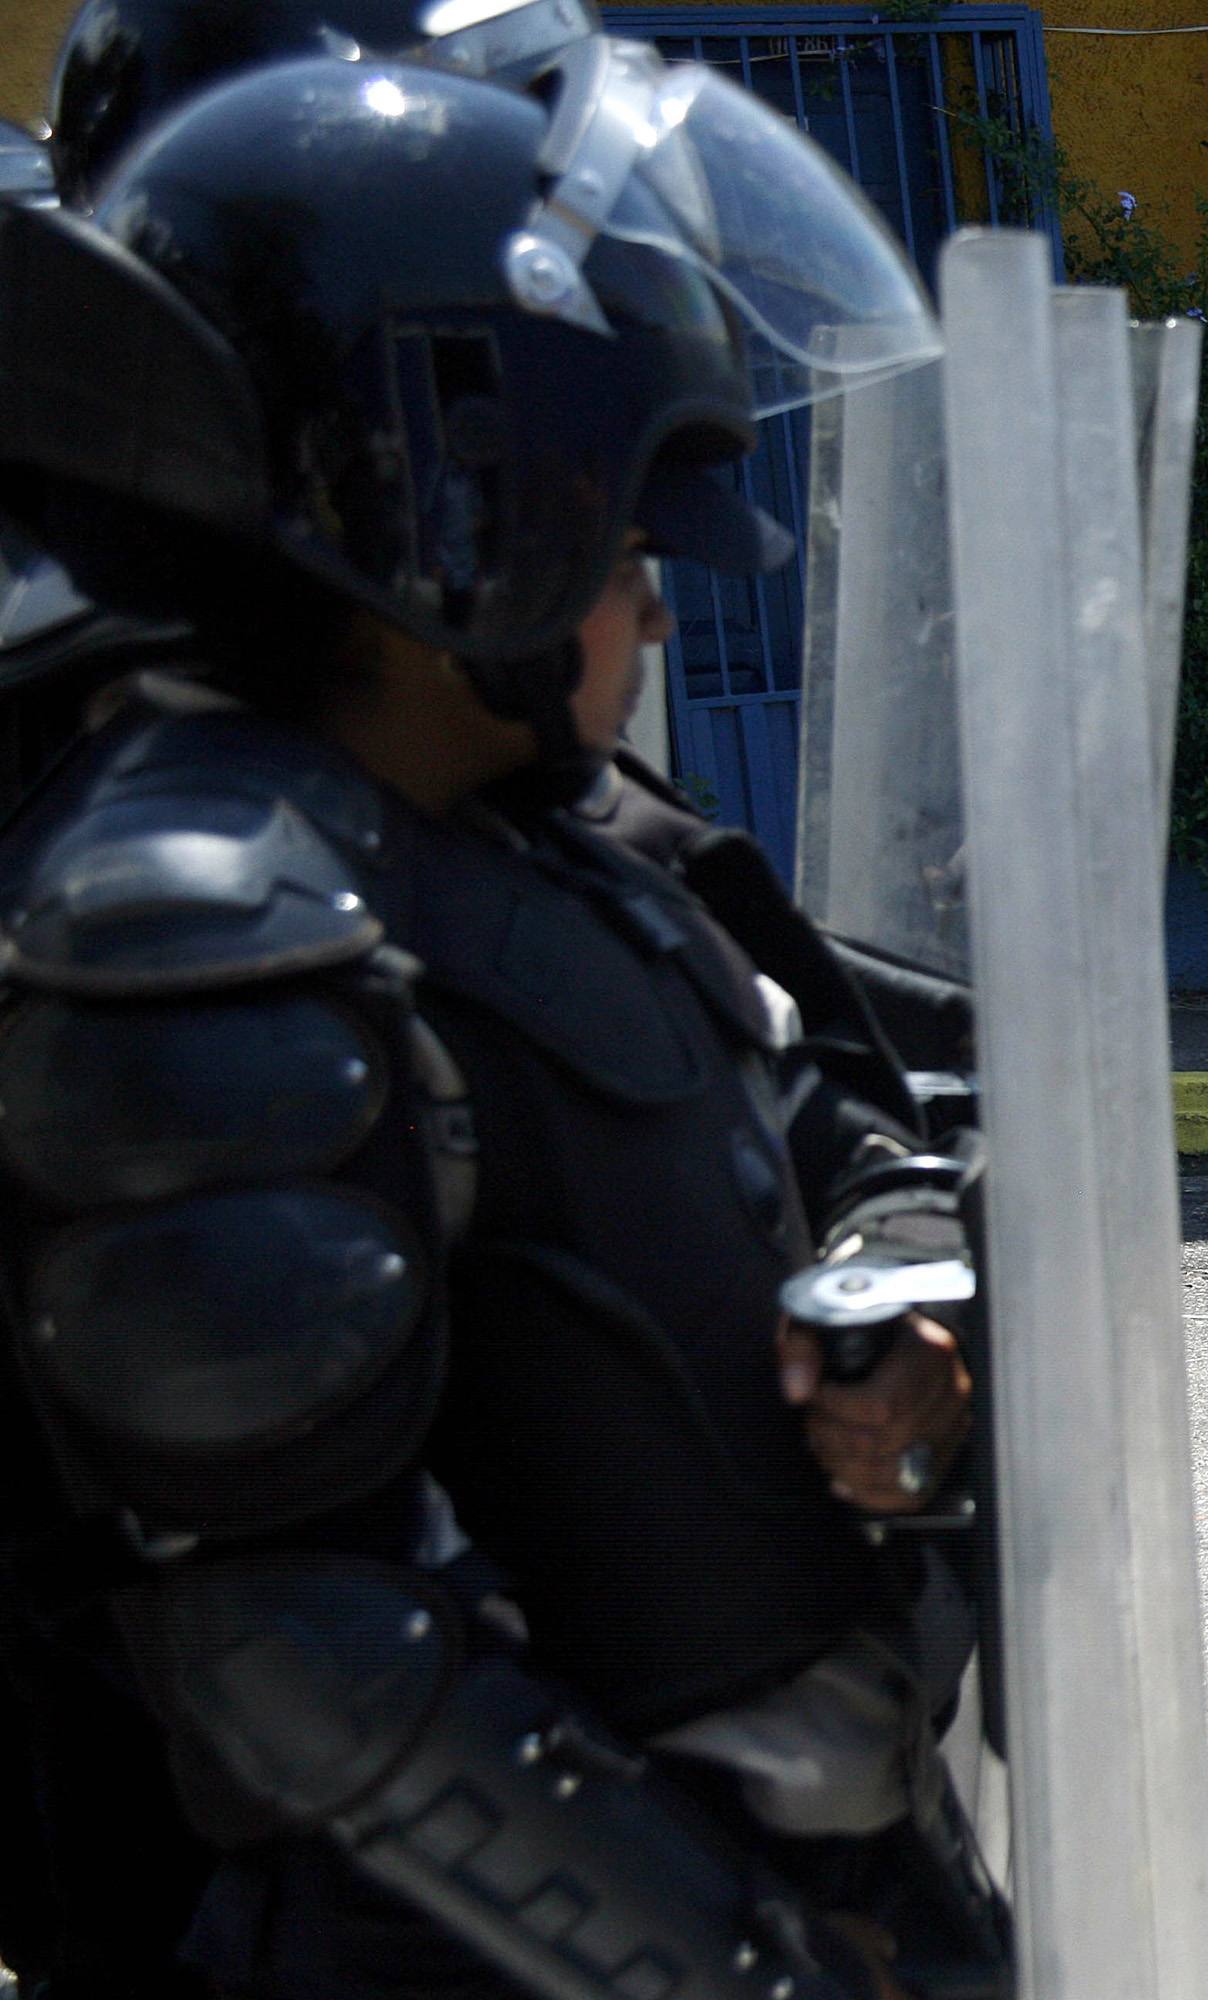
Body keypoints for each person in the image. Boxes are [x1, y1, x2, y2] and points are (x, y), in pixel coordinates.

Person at [0, 48, 1001, 1999]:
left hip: (827, 1863)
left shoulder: (570, 853)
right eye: (625, 549)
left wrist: (908, 1323)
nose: (655, 608)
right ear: (455, 514)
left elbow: (835, 1133)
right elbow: (301, 1657)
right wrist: (742, 1967)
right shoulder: (196, 922)